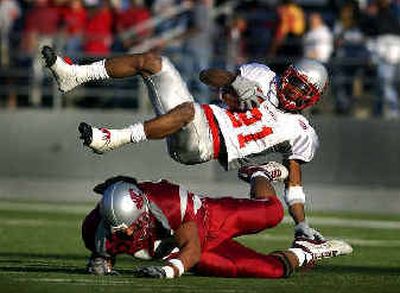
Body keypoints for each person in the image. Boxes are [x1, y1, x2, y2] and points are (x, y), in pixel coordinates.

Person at [42, 45, 328, 242]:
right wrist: (234, 80)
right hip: (196, 120)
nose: (292, 89)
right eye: (293, 81)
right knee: (154, 62)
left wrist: (301, 224)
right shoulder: (262, 76)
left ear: (312, 97)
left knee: (190, 111)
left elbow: (295, 182)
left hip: (207, 144)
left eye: (302, 88)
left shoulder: (301, 130)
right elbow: (207, 76)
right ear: (286, 73)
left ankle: (113, 139)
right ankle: (75, 75)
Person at [81, 162, 352, 278]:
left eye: (130, 225)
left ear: (144, 212)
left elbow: (192, 248)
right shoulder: (97, 227)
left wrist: (168, 270)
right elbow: (104, 246)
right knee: (270, 271)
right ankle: (306, 252)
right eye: (118, 228)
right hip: (192, 248)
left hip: (210, 219)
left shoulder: (170, 206)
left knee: (272, 212)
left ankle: (259, 173)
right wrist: (102, 259)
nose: (126, 233)